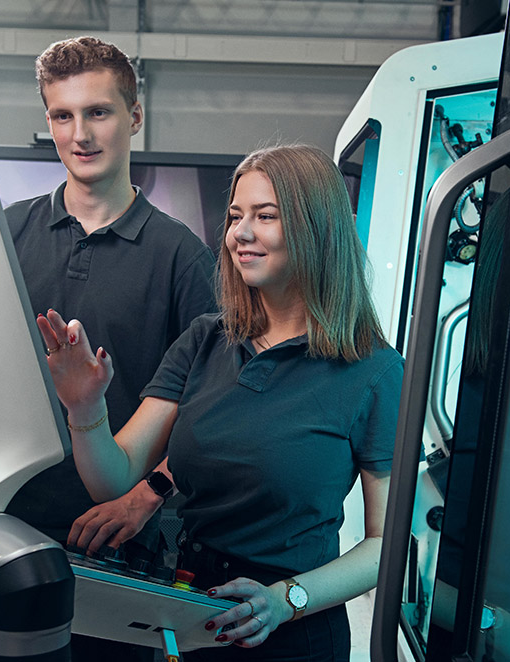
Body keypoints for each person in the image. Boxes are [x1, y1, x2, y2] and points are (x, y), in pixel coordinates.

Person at [36, 144, 404, 661]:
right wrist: (84, 408)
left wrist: (284, 601)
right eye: (235, 216)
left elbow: (385, 545)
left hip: (291, 633)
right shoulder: (206, 340)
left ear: (316, 228)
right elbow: (113, 480)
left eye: (265, 216)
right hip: (189, 610)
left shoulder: (373, 370)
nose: (240, 233)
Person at [0, 36, 217, 662]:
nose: (79, 133)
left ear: (135, 117)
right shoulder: (4, 232)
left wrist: (145, 498)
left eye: (98, 112)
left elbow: (211, 411)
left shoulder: (183, 258)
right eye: (62, 115)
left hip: (108, 543)